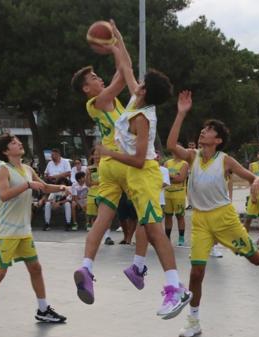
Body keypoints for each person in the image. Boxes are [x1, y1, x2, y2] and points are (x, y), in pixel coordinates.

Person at [84, 36, 191, 319]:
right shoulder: (135, 98)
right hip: (137, 175)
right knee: (153, 232)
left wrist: (108, 152)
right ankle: (166, 282)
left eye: (142, 83)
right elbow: (127, 69)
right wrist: (116, 41)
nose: (137, 82)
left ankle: (175, 289)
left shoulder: (143, 118)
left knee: (156, 232)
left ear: (145, 91)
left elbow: (140, 159)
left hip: (145, 174)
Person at [166, 91, 259, 337]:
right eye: (202, 129)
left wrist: (256, 183)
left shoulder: (225, 160)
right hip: (200, 220)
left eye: (208, 130)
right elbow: (170, 145)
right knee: (196, 272)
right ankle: (194, 320)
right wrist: (181, 113)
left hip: (224, 218)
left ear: (217, 140)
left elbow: (254, 176)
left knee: (255, 259)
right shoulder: (192, 155)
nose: (202, 132)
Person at [70, 21, 150, 299]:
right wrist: (114, 44)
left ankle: (86, 267)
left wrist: (118, 39)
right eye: (93, 78)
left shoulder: (108, 102)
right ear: (86, 90)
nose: (98, 80)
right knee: (149, 215)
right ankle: (138, 267)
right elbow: (122, 73)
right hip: (124, 160)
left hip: (108, 167)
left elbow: (124, 67)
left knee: (102, 220)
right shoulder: (99, 102)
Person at [0, 134, 67, 333]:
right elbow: (5, 195)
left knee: (36, 268)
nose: (19, 144)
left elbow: (43, 187)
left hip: (24, 231)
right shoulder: (3, 170)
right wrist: (27, 185)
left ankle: (43, 309)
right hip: (5, 232)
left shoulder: (27, 169)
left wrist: (61, 188)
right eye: (14, 143)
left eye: (18, 142)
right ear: (6, 151)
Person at [244, 151, 259, 249]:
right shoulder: (252, 165)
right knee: (248, 218)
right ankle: (245, 240)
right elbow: (250, 180)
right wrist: (253, 194)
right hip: (254, 194)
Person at [164, 153, 189, 246]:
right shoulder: (167, 163)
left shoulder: (184, 164)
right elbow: (164, 177)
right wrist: (175, 176)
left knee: (180, 216)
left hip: (179, 194)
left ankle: (181, 238)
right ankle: (167, 238)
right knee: (168, 216)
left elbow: (180, 179)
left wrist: (170, 176)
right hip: (167, 193)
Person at [84, 150, 100, 230]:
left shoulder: (104, 167)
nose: (97, 157)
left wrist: (95, 182)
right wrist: (87, 175)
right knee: (93, 215)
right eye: (95, 155)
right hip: (93, 192)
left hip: (103, 192)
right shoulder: (91, 168)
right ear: (92, 156)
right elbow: (88, 183)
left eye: (99, 154)